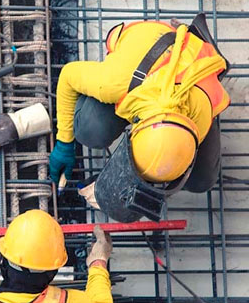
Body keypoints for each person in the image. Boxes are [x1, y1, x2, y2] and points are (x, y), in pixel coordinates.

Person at [47, 14, 230, 221]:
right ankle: (186, 33)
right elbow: (68, 76)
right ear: (135, 130)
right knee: (89, 130)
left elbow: (163, 160)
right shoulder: (114, 82)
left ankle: (199, 40)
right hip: (147, 46)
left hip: (196, 70)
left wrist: (118, 189)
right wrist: (64, 141)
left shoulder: (202, 115)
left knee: (201, 180)